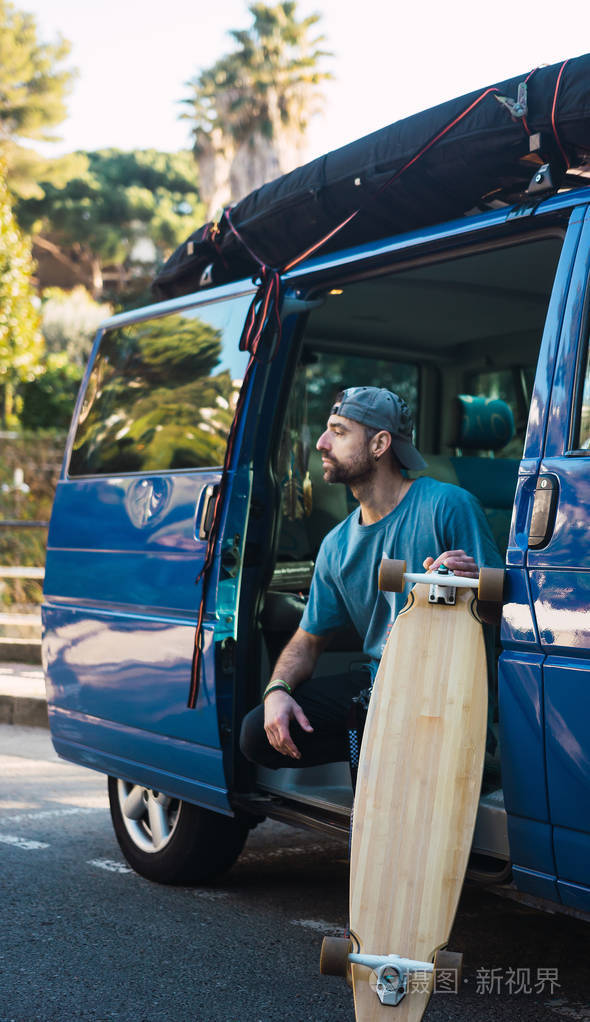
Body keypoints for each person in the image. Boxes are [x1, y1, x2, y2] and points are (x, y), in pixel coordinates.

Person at [240, 386, 503, 770]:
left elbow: (501, 613)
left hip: (449, 691)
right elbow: (307, 642)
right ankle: (377, 746)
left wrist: (475, 584)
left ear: (379, 444)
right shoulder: (335, 545)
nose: (322, 443)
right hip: (382, 685)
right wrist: (277, 691)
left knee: (398, 732)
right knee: (256, 734)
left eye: (339, 431)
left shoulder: (448, 505)